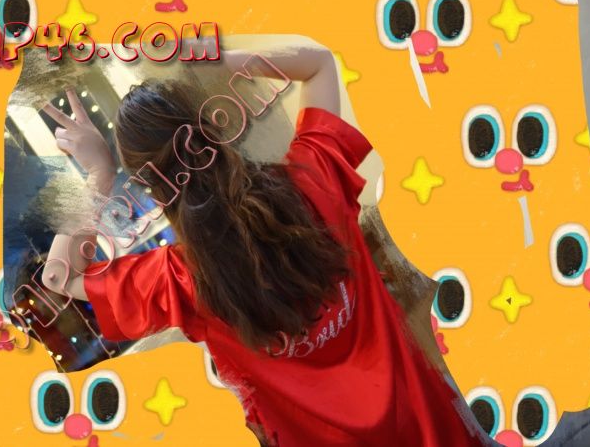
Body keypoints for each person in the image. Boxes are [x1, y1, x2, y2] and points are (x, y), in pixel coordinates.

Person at [40, 37, 489, 447]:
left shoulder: (182, 280)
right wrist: (216, 59)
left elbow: (58, 277)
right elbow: (319, 61)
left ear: (150, 187)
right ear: (211, 127)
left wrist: (98, 173)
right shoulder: (315, 183)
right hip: (432, 428)